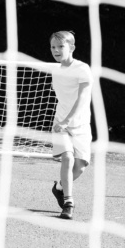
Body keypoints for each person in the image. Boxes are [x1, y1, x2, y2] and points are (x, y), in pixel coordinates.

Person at [48, 31, 93, 220]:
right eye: (53, 47)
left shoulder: (83, 69)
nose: (56, 50)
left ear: (72, 48)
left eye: (61, 46)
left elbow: (83, 98)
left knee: (80, 167)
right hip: (60, 125)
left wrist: (69, 120)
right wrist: (62, 121)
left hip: (81, 125)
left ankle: (59, 187)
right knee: (68, 158)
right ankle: (68, 202)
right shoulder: (54, 69)